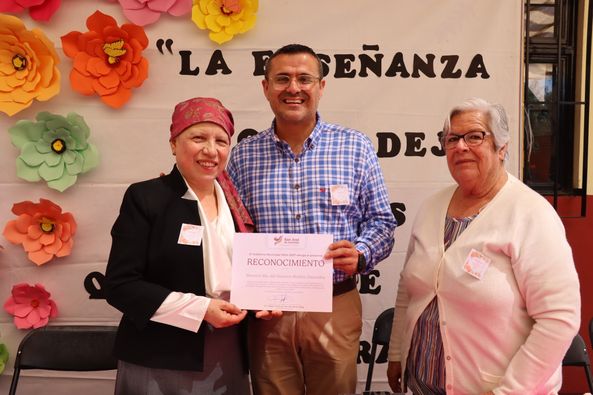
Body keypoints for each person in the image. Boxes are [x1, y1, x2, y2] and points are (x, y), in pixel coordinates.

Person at [227, 44, 397, 395]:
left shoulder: (355, 147)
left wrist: (361, 254)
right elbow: (231, 232)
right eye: (282, 79)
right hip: (267, 313)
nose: (294, 88)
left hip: (335, 303)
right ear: (265, 87)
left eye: (305, 78)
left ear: (321, 86)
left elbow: (382, 221)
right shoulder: (243, 156)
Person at [387, 98, 581, 394]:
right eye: (452, 138)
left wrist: (512, 391)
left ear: (502, 147)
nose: (460, 146)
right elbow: (408, 288)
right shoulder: (431, 207)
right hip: (423, 387)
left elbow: (559, 318)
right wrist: (398, 354)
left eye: (475, 136)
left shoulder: (531, 214)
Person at [104, 97, 254, 395]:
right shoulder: (146, 198)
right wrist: (201, 309)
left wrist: (264, 300)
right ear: (174, 143)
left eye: (221, 141)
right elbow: (120, 285)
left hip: (231, 353)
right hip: (162, 354)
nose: (211, 150)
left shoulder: (237, 204)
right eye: (198, 138)